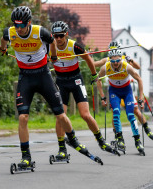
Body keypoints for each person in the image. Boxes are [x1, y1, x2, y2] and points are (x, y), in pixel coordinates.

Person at [0, 6, 100, 168]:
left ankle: (73, 140)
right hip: (25, 76)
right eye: (15, 25)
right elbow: (4, 39)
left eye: (21, 25)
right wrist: (3, 49)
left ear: (29, 23)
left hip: (43, 75)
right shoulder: (9, 32)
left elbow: (52, 41)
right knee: (23, 117)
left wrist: (52, 56)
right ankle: (26, 157)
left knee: (60, 115)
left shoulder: (40, 32)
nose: (18, 29)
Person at [50, 21, 119, 160]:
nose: (58, 39)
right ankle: (62, 149)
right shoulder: (50, 46)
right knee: (60, 116)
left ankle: (101, 141)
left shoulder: (74, 46)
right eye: (55, 36)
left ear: (66, 35)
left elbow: (88, 58)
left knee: (85, 114)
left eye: (61, 36)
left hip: (76, 80)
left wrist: (94, 75)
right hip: (61, 82)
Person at [94, 41, 153, 144]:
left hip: (126, 88)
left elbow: (138, 68)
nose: (112, 52)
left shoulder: (124, 59)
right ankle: (117, 135)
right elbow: (95, 64)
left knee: (135, 110)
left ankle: (146, 128)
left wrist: (130, 60)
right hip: (114, 89)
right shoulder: (108, 61)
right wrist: (88, 57)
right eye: (110, 50)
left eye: (115, 49)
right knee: (116, 112)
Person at [96, 49, 146, 155]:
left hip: (127, 91)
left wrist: (141, 98)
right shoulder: (105, 67)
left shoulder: (126, 66)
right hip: (114, 91)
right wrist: (102, 97)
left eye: (117, 61)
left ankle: (137, 140)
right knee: (116, 113)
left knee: (131, 115)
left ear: (121, 59)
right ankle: (119, 138)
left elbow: (139, 79)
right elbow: (98, 80)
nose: (115, 64)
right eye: (113, 61)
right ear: (110, 60)